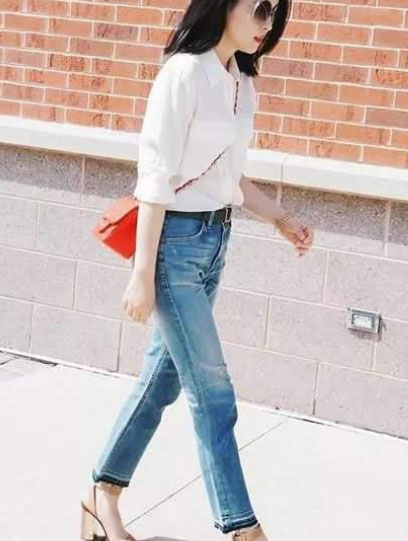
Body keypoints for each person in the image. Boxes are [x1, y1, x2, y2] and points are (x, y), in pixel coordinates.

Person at [80, 0, 314, 540]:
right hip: (174, 249)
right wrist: (142, 272)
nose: (267, 24)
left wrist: (281, 219)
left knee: (159, 382)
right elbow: (155, 176)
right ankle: (242, 528)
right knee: (213, 393)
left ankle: (100, 496)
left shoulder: (241, 84)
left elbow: (231, 177)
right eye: (259, 9)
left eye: (275, 14)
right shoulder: (183, 73)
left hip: (214, 243)